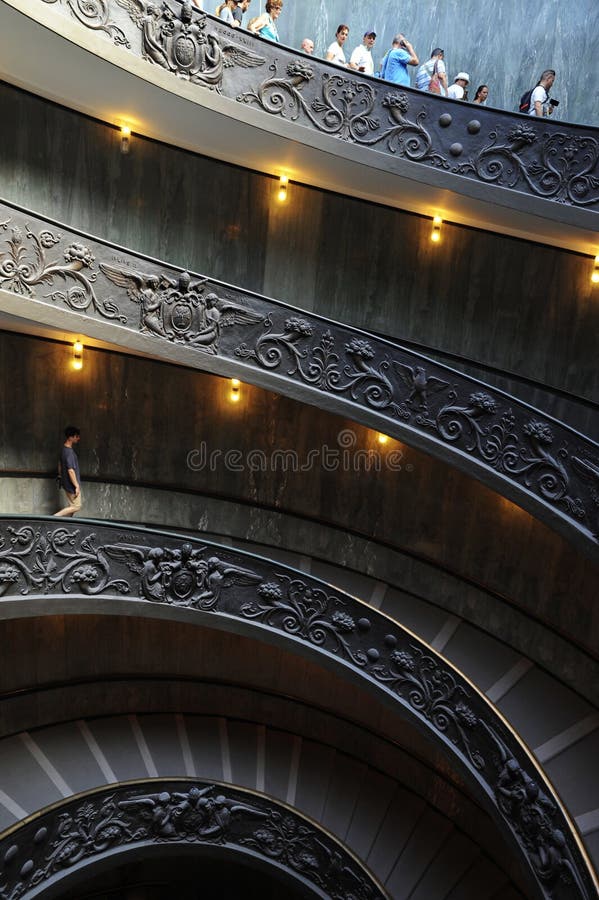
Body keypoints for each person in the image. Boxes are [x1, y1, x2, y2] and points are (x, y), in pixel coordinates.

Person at [54, 426, 82, 517]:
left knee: (71, 506)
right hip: (71, 485)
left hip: (66, 483)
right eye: (76, 436)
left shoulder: (63, 450)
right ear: (70, 437)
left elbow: (59, 464)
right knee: (77, 506)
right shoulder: (69, 452)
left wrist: (60, 476)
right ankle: (53, 518)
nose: (78, 438)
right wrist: (76, 485)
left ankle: (67, 525)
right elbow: (71, 471)